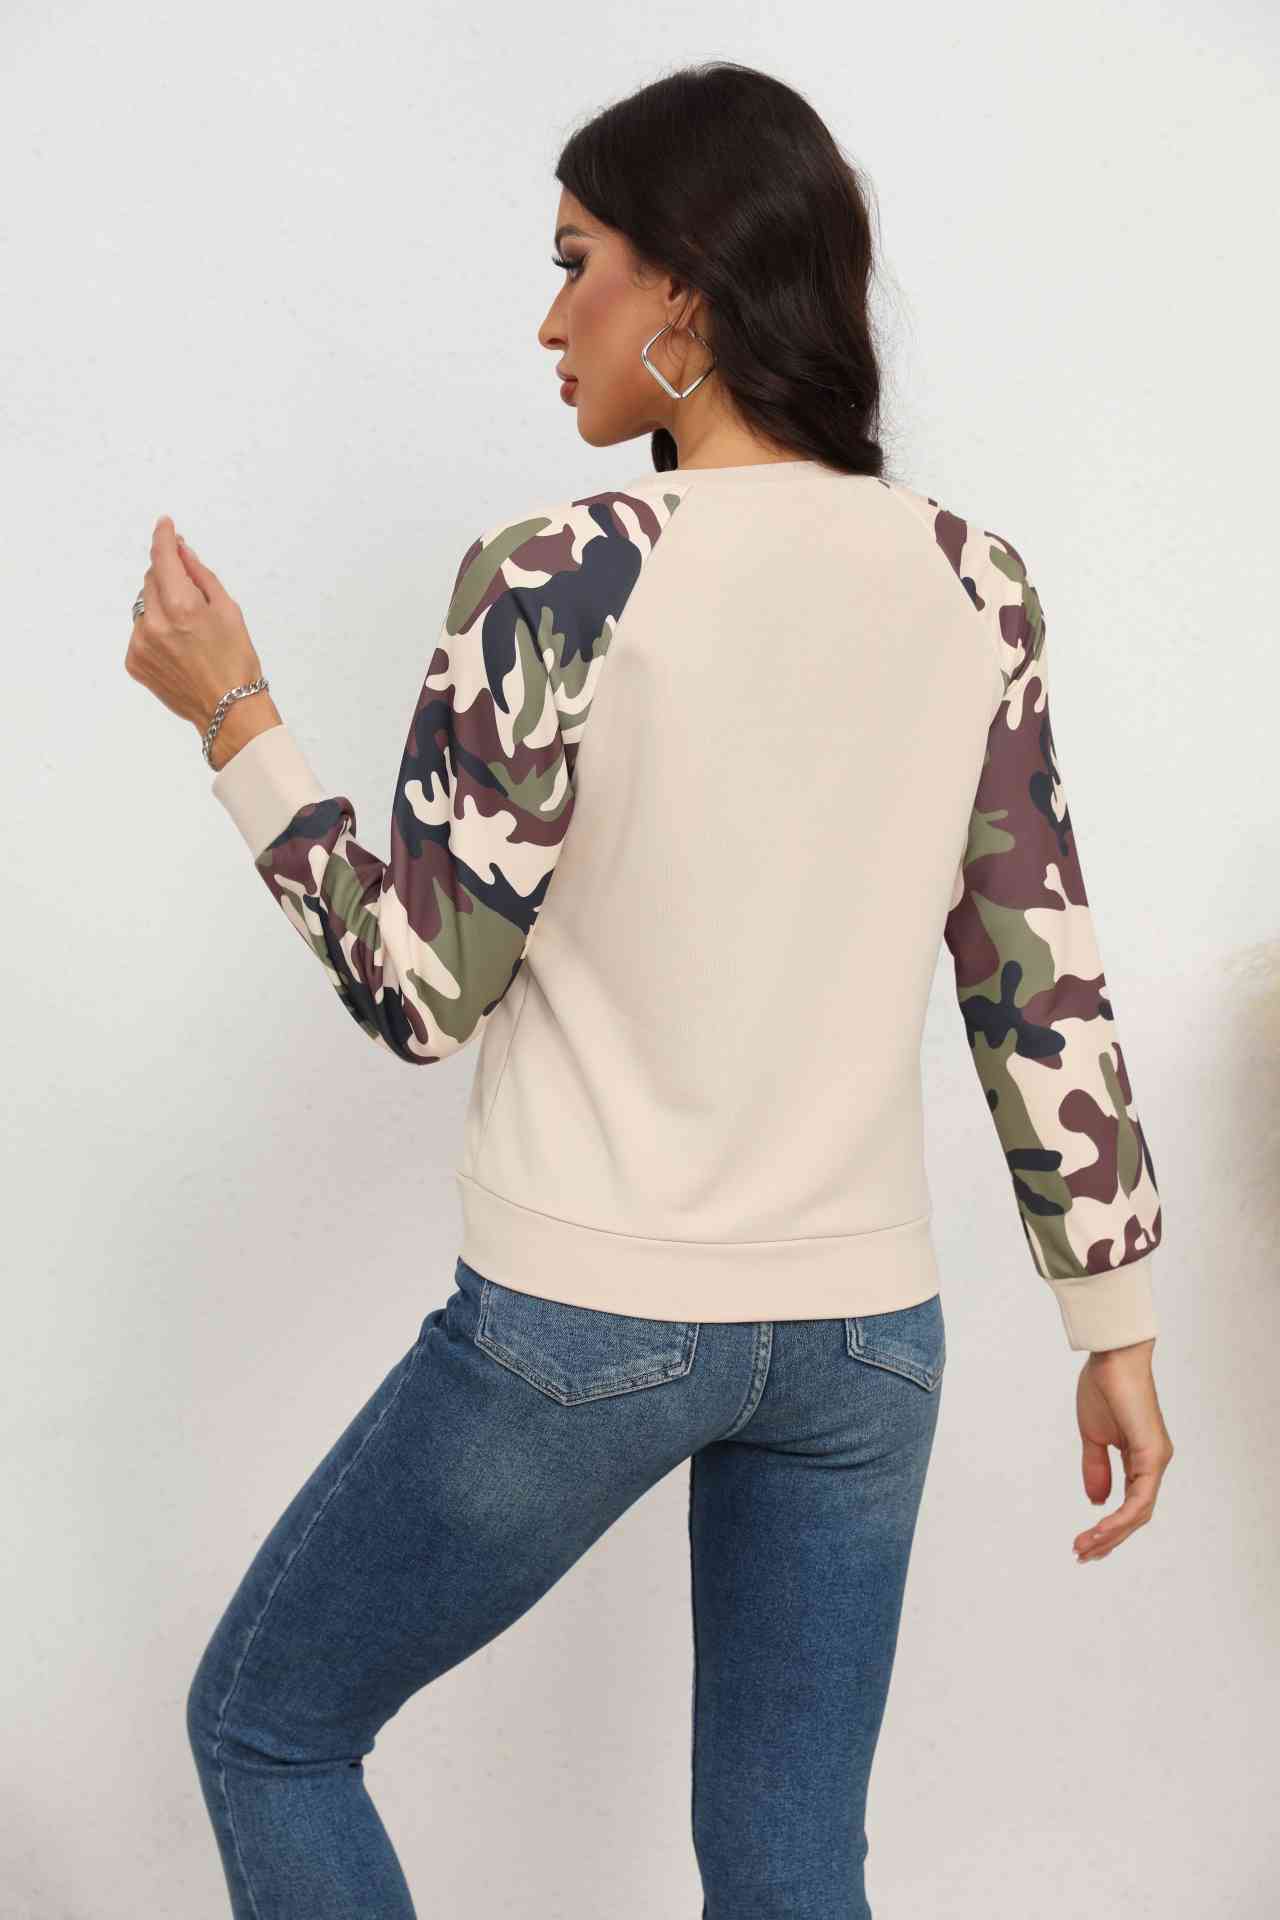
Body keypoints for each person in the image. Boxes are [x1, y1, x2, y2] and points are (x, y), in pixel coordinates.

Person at [127, 58, 1174, 1920]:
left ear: (683, 285)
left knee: (267, 1728)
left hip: (586, 1321)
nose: (551, 322)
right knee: (788, 1861)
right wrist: (1117, 1327)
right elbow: (1040, 974)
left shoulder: (563, 577)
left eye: (575, 262)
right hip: (867, 1341)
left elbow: (419, 992)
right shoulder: (972, 583)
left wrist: (237, 721)